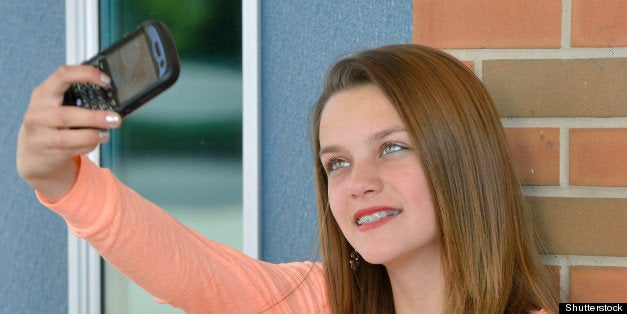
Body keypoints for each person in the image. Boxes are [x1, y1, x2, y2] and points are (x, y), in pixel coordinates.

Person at [17, 44, 559, 313]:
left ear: (462, 160)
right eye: (337, 163)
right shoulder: (314, 300)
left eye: (392, 148)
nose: (356, 184)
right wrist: (63, 180)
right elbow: (189, 267)